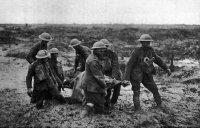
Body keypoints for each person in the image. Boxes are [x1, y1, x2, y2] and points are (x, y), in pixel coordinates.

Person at [124, 34, 171, 112]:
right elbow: (129, 65)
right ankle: (137, 110)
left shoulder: (151, 50)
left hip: (147, 73)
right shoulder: (136, 51)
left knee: (155, 89)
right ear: (141, 42)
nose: (146, 44)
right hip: (136, 74)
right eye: (144, 42)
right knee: (136, 92)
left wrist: (166, 68)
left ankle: (160, 105)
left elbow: (158, 60)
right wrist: (126, 78)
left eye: (148, 42)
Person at [80, 41, 109, 117]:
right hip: (91, 85)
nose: (102, 51)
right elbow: (98, 77)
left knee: (90, 101)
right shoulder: (93, 61)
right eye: (100, 50)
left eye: (103, 50)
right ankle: (85, 115)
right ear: (95, 50)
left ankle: (85, 114)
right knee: (100, 102)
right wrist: (105, 86)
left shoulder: (95, 57)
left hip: (89, 84)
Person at [100, 39, 122, 110]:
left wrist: (114, 78)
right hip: (104, 73)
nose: (104, 49)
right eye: (102, 47)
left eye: (106, 47)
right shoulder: (97, 55)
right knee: (107, 89)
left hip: (115, 73)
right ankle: (106, 103)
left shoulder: (113, 54)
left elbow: (115, 66)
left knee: (117, 88)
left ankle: (113, 102)